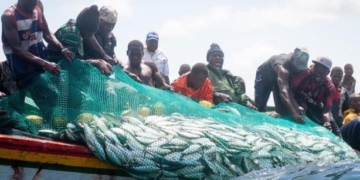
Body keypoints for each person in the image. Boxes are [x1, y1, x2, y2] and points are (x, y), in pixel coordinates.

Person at [1, 0, 74, 121]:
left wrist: (62, 48)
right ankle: (48, 125)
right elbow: (17, 49)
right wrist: (45, 63)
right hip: (23, 68)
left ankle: (50, 122)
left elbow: (47, 33)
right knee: (48, 96)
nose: (33, 4)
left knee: (58, 92)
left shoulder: (38, 6)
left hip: (41, 62)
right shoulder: (9, 16)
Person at [47, 5, 113, 76]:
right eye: (90, 34)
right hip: (53, 74)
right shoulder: (72, 35)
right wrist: (96, 62)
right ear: (87, 33)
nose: (91, 37)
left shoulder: (77, 25)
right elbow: (70, 64)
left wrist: (103, 55)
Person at [254, 47, 309, 123]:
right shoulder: (283, 68)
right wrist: (294, 113)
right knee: (259, 107)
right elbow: (284, 92)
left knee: (283, 111)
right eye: (297, 66)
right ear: (292, 59)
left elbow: (288, 90)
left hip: (279, 81)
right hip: (264, 77)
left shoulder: (296, 70)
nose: (298, 69)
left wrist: (296, 106)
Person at [291, 57, 341, 136]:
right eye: (317, 71)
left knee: (332, 124)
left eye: (322, 73)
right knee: (303, 107)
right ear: (314, 67)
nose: (318, 75)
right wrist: (296, 106)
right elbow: (289, 91)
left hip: (314, 106)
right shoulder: (305, 73)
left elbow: (326, 111)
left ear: (327, 73)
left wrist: (326, 121)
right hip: (296, 101)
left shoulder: (330, 88)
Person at [206, 43, 256, 110]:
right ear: (208, 59)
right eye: (214, 56)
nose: (218, 58)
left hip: (233, 106)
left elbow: (239, 94)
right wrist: (216, 94)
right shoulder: (204, 71)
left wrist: (246, 101)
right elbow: (200, 89)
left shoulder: (229, 75)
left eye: (220, 56)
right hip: (213, 105)